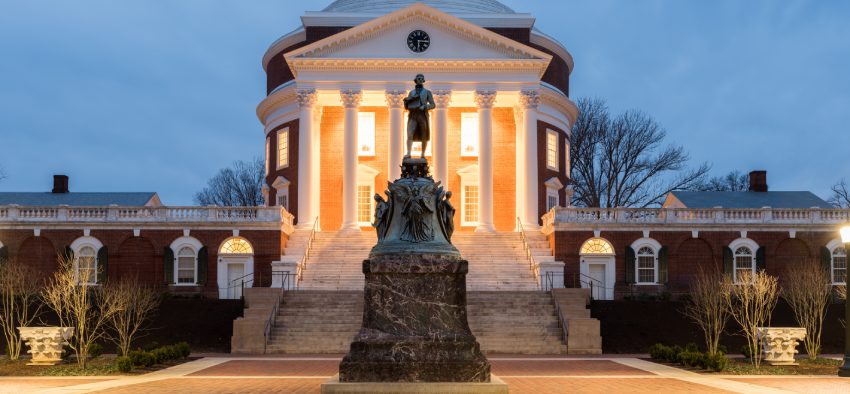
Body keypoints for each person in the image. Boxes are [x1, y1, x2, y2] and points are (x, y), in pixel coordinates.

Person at [403, 74, 435, 159]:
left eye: (422, 79)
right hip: (413, 114)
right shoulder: (411, 93)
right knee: (410, 133)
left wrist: (424, 107)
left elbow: (433, 104)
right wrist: (406, 102)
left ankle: (423, 154)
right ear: (416, 80)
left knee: (424, 135)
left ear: (423, 80)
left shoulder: (427, 92)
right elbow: (408, 105)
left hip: (422, 114)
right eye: (418, 78)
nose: (420, 80)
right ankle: (409, 153)